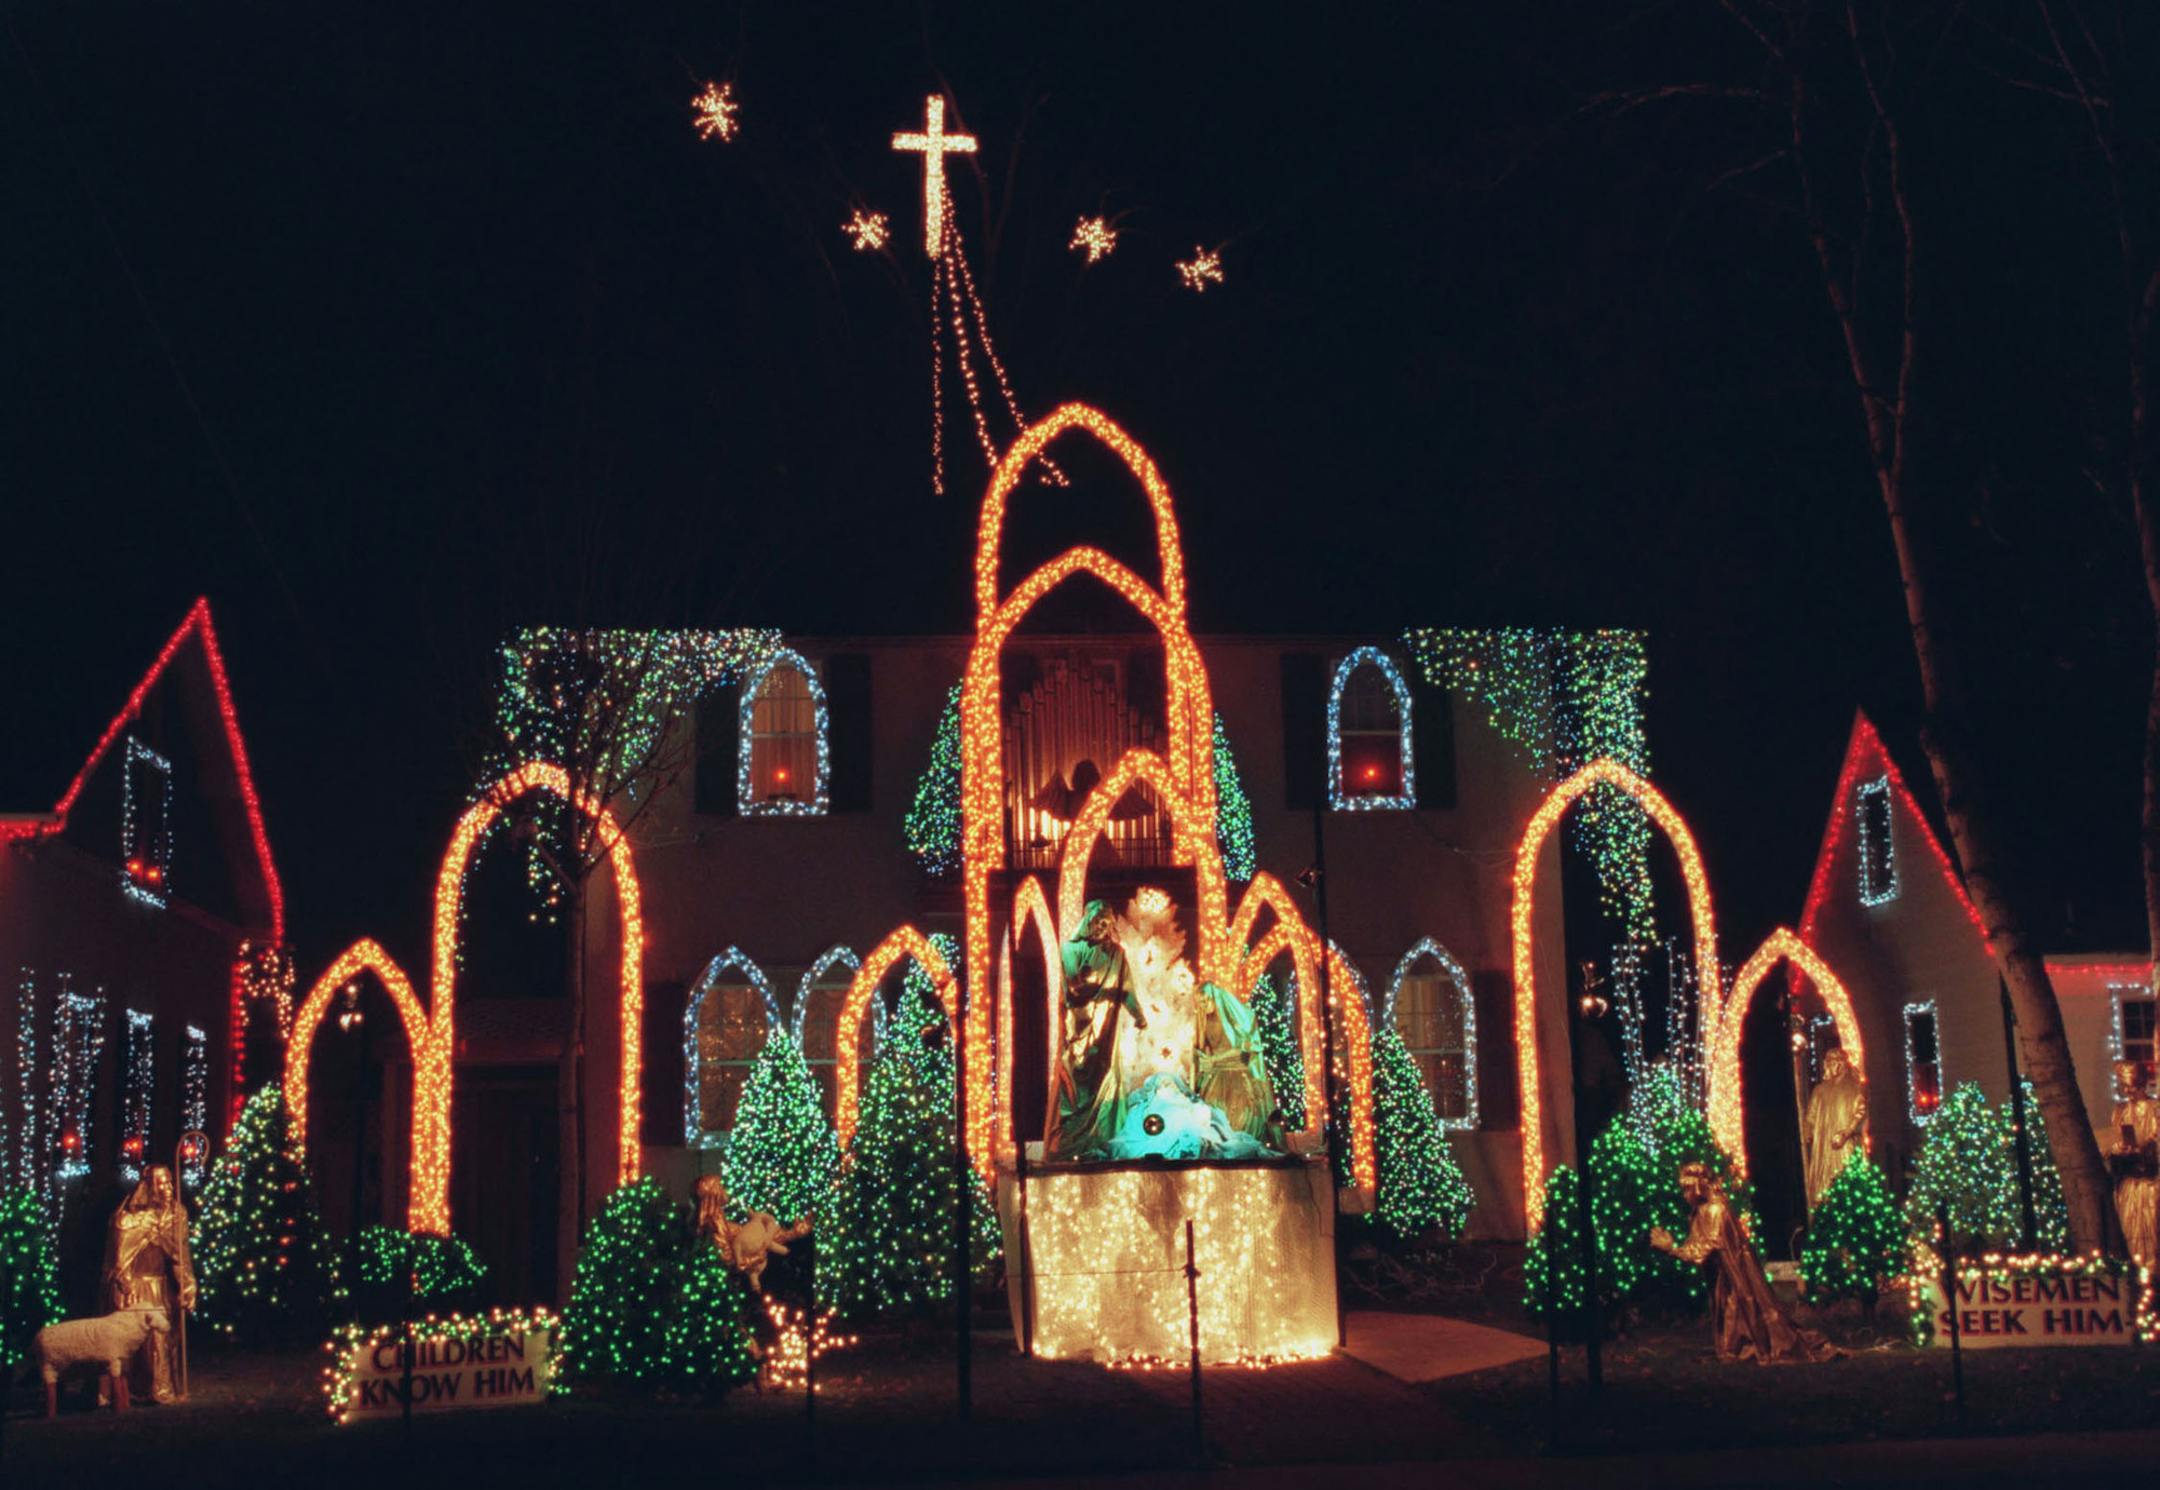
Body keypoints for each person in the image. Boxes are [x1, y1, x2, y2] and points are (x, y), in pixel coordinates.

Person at [1651, 1161, 1839, 1364]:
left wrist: (1672, 1249)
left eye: (1686, 1188)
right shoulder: (1703, 1210)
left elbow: (1706, 1247)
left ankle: (1747, 1346)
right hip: (1723, 1273)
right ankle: (1735, 1346)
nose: (1684, 1194)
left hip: (1734, 1273)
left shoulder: (1715, 1210)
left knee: (1741, 1308)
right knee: (1732, 1310)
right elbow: (1698, 1243)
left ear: (1698, 1186)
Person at [102, 1165, 195, 1403]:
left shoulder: (176, 1214)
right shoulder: (130, 1218)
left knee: (165, 1340)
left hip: (162, 1285)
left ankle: (162, 1388)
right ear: (149, 1187)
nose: (167, 1189)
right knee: (137, 1342)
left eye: (170, 1182)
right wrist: (126, 1286)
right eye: (161, 1184)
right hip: (136, 1286)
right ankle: (128, 1391)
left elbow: (180, 1256)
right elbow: (120, 1261)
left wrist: (187, 1285)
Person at [1801, 1048, 1869, 1211]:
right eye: (1828, 1061)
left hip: (1844, 1144)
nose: (1831, 1065)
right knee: (1823, 1187)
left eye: (1835, 1061)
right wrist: (1807, 1131)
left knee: (1847, 1181)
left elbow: (1860, 1112)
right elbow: (1811, 1116)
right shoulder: (1820, 1090)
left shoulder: (1855, 1088)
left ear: (1842, 1063)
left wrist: (1847, 1132)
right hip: (1824, 1146)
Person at [2107, 1059, 2158, 1271]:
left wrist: (2144, 1148)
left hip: (2151, 1182)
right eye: (2125, 1087)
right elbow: (2113, 1139)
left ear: (2143, 1084)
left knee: (2152, 1233)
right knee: (2131, 1233)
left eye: (2133, 1086)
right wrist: (2117, 1149)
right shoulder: (2120, 1111)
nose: (2128, 1092)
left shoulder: (2155, 1109)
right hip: (2129, 1182)